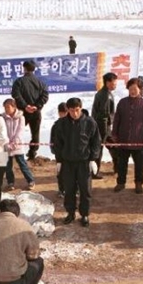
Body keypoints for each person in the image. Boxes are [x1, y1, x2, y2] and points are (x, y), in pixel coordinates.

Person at [53, 97, 101, 227]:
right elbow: (57, 144)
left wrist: (93, 159)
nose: (75, 113)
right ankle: (70, 213)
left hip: (84, 162)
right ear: (67, 110)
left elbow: (96, 142)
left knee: (85, 190)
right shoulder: (61, 124)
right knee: (69, 189)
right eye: (72, 110)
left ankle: (84, 214)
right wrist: (59, 160)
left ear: (81, 108)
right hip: (68, 162)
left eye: (77, 110)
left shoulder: (90, 122)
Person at [111, 77, 143, 194]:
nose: (133, 91)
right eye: (130, 89)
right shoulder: (122, 102)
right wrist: (114, 133)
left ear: (139, 89)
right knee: (122, 163)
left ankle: (139, 183)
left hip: (138, 140)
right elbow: (117, 119)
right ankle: (121, 182)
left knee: (139, 164)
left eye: (135, 89)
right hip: (123, 139)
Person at [11, 60, 49, 160]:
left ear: (24, 69)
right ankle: (32, 152)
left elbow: (16, 95)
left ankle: (15, 152)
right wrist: (37, 106)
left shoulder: (19, 82)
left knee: (17, 131)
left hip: (23, 112)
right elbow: (45, 95)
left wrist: (25, 106)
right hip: (36, 112)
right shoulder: (41, 83)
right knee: (35, 133)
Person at [2, 98, 35, 191]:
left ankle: (31, 181)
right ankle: (10, 183)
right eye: (5, 108)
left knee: (22, 164)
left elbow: (20, 132)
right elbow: (2, 132)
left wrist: (15, 143)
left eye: (8, 107)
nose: (6, 109)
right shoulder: (2, 118)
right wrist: (7, 143)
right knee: (7, 166)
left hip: (18, 145)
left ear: (14, 107)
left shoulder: (21, 117)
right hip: (7, 145)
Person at [91, 72, 117, 177]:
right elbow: (104, 114)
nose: (115, 85)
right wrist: (106, 131)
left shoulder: (104, 93)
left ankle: (117, 168)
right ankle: (94, 172)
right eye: (114, 83)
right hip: (103, 126)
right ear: (107, 83)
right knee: (99, 148)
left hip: (103, 126)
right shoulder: (105, 95)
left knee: (112, 147)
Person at [50, 102, 68, 197]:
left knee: (72, 173)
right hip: (60, 154)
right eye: (61, 112)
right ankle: (61, 190)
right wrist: (54, 151)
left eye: (65, 112)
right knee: (60, 173)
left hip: (71, 153)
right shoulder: (56, 126)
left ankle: (74, 190)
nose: (63, 114)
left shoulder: (72, 124)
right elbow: (52, 140)